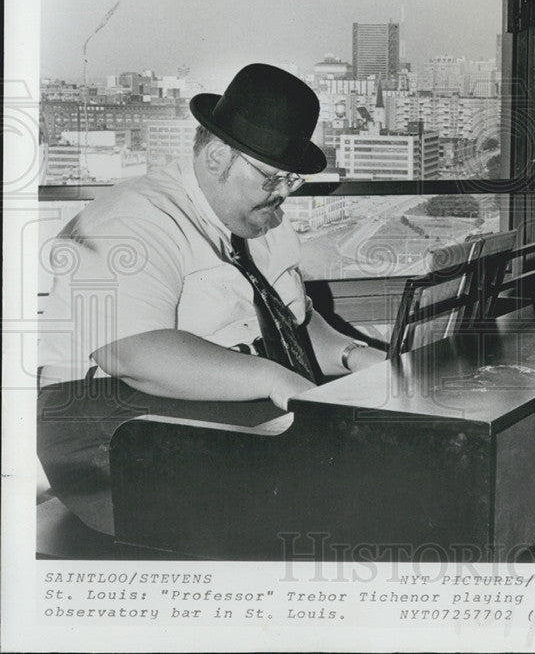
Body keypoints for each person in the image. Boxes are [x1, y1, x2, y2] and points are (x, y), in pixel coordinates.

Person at [37, 63, 386, 535]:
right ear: (219, 156)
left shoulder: (254, 219)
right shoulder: (133, 218)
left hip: (210, 406)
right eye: (272, 179)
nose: (282, 195)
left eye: (292, 182)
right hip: (109, 428)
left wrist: (359, 357)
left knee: (367, 449)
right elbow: (132, 354)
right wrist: (273, 378)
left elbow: (294, 323)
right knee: (340, 466)